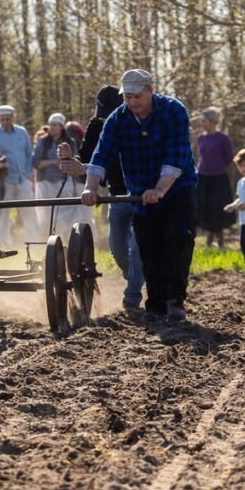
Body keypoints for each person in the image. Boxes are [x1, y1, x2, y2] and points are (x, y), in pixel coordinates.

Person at [81, 70, 198, 322]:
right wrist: (90, 187)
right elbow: (101, 154)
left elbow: (176, 155)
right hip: (140, 191)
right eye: (128, 97)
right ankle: (155, 306)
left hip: (178, 186)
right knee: (148, 247)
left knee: (177, 240)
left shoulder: (174, 111)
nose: (133, 102)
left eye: (137, 97)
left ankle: (175, 301)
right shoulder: (117, 119)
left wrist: (160, 189)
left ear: (150, 91)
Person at [59, 85, 145, 313]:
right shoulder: (96, 125)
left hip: (141, 194)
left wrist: (87, 168)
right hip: (117, 195)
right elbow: (88, 155)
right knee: (117, 248)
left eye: (109, 115)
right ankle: (137, 277)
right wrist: (71, 160)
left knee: (137, 246)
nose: (105, 120)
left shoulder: (135, 124)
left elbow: (118, 160)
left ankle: (132, 296)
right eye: (102, 115)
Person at [0, 105, 39, 245]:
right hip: (5, 180)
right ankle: (5, 245)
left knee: (29, 213)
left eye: (8, 119)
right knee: (4, 215)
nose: (5, 122)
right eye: (2, 120)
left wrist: (28, 173)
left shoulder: (22, 132)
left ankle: (34, 244)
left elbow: (29, 154)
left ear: (13, 117)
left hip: (23, 179)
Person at [33, 113, 80, 235]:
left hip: (64, 181)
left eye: (55, 125)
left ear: (61, 126)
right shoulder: (43, 142)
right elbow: (36, 163)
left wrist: (75, 184)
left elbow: (75, 162)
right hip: (45, 182)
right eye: (50, 125)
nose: (52, 127)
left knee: (67, 211)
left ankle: (66, 238)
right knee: (46, 214)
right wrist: (54, 162)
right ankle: (48, 239)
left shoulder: (70, 142)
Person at [196, 107, 235, 248]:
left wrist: (219, 167)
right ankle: (208, 242)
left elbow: (229, 157)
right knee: (206, 208)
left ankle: (220, 244)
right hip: (203, 177)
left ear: (212, 122)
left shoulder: (222, 138)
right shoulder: (201, 138)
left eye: (204, 121)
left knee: (217, 209)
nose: (202, 124)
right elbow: (201, 155)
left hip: (218, 178)